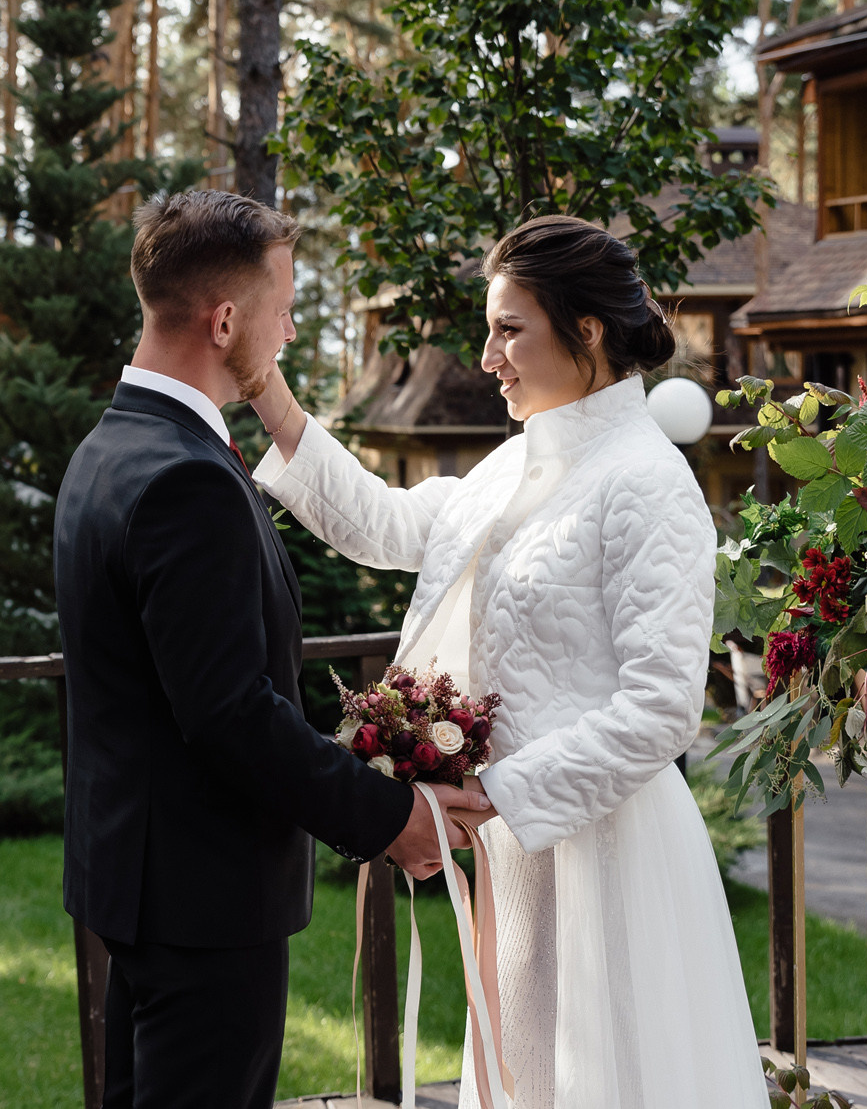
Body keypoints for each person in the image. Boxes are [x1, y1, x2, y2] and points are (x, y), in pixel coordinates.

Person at [249, 214, 766, 1109]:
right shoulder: (509, 465)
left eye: (508, 328)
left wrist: (493, 795)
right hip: (522, 852)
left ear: (588, 330)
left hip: (611, 850)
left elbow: (663, 707)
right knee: (524, 1075)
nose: (487, 355)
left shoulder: (648, 480)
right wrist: (267, 391)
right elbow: (381, 522)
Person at [54, 188, 493, 1109]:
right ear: (224, 319)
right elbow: (228, 713)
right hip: (204, 899)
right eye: (285, 307)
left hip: (139, 882)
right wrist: (388, 817)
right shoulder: (185, 478)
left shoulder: (111, 446)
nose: (291, 329)